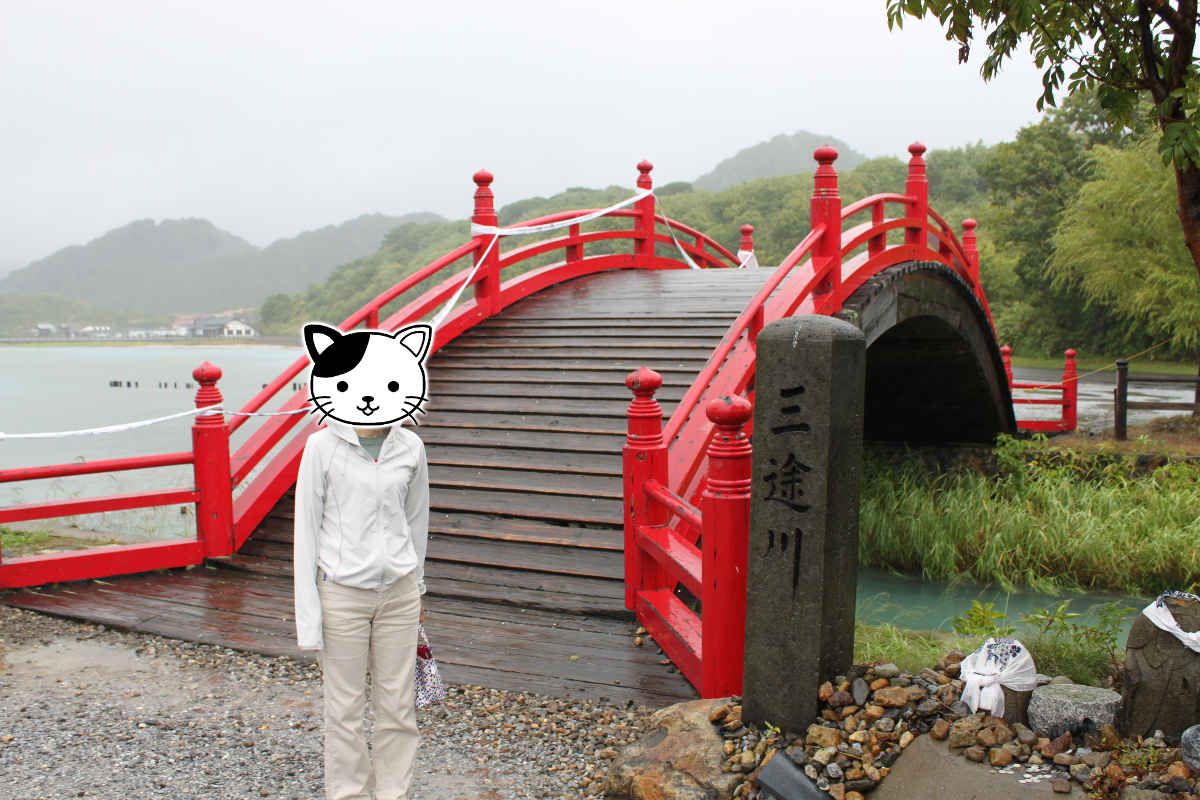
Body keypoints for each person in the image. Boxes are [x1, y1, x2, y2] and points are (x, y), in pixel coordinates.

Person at [293, 322, 432, 800]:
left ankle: (393, 794)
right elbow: (306, 534)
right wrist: (309, 617)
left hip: (398, 595)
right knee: (345, 709)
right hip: (342, 595)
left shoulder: (410, 447)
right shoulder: (321, 447)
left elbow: (416, 523)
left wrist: (417, 589)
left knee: (398, 707)